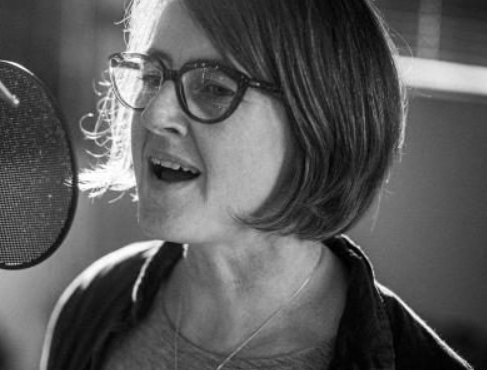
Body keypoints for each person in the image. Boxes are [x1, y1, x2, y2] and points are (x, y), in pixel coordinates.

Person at [40, 0, 473, 369]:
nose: (154, 115)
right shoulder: (93, 300)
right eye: (152, 76)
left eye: (212, 87)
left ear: (318, 121)